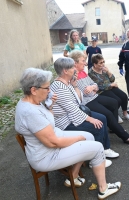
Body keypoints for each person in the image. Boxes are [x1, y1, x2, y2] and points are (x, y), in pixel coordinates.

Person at [15, 68, 121, 199]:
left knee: (90, 136)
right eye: (47, 88)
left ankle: (74, 177)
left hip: (49, 144)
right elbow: (54, 143)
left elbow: (50, 122)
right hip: (46, 156)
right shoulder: (30, 112)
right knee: (96, 146)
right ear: (33, 90)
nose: (49, 91)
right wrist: (78, 138)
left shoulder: (33, 102)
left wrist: (51, 105)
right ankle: (103, 189)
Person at [50, 57, 119, 161]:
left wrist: (75, 85)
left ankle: (105, 149)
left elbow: (79, 100)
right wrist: (91, 119)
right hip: (65, 123)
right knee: (98, 125)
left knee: (102, 118)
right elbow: (72, 109)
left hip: (72, 116)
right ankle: (96, 159)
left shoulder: (67, 82)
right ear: (65, 71)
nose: (75, 69)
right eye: (72, 67)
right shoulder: (59, 87)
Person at [69, 51, 129, 146]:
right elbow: (82, 93)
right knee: (107, 114)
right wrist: (92, 88)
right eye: (83, 61)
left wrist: (92, 87)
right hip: (86, 102)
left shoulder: (82, 72)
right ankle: (126, 137)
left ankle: (114, 127)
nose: (86, 63)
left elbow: (95, 86)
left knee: (114, 102)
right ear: (75, 62)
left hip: (94, 96)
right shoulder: (72, 75)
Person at [88, 53, 129, 123]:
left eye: (103, 61)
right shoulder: (91, 73)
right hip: (101, 91)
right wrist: (112, 85)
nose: (103, 64)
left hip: (110, 87)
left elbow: (112, 79)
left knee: (124, 96)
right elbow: (101, 86)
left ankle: (125, 114)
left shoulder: (104, 69)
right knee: (117, 100)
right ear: (95, 64)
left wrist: (108, 72)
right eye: (100, 63)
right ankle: (115, 114)